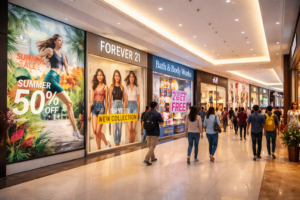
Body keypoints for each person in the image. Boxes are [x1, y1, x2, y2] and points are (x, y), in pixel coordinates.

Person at [36, 34, 83, 139]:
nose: (61, 43)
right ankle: (76, 131)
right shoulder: (50, 50)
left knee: (38, 104)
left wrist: (66, 61)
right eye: (59, 40)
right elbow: (37, 57)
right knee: (69, 103)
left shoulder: (62, 55)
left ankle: (29, 125)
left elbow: (66, 73)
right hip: (51, 78)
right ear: (55, 41)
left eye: (62, 41)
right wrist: (46, 62)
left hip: (57, 79)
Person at [88, 69, 111, 149]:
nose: (99, 76)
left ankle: (106, 142)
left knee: (98, 131)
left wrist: (106, 112)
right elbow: (91, 101)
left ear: (103, 76)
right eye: (98, 75)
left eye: (101, 75)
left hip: (101, 108)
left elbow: (107, 101)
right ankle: (99, 149)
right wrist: (89, 114)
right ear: (96, 76)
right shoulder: (94, 87)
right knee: (94, 131)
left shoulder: (105, 87)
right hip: (94, 108)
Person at [143, 101, 164, 166]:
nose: (157, 107)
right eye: (157, 106)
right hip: (154, 132)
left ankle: (153, 158)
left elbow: (143, 121)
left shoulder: (146, 113)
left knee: (150, 146)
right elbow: (161, 122)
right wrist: (157, 122)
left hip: (147, 132)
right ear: (155, 106)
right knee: (152, 146)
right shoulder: (157, 114)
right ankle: (146, 159)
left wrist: (142, 130)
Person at [108, 70, 125, 146]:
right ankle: (116, 143)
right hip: (114, 105)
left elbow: (124, 100)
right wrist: (109, 111)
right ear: (114, 77)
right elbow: (109, 100)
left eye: (118, 76)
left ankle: (119, 142)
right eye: (115, 76)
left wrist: (124, 112)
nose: (117, 77)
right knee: (115, 126)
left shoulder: (122, 87)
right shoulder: (111, 86)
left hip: (120, 105)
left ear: (120, 77)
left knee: (120, 126)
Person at [124, 71, 140, 143]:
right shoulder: (126, 88)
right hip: (129, 106)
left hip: (135, 107)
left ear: (134, 78)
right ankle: (130, 144)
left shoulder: (137, 88)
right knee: (129, 128)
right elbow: (125, 100)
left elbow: (138, 101)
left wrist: (138, 112)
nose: (131, 78)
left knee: (133, 128)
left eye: (132, 77)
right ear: (129, 78)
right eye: (130, 77)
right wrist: (124, 112)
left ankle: (132, 144)